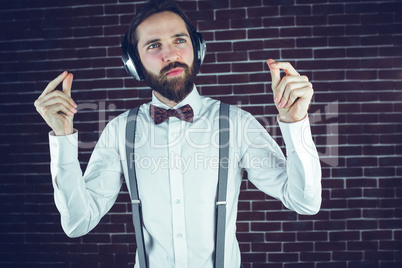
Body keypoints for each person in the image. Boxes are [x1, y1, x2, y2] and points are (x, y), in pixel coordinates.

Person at [34, 0, 322, 267]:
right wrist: (63, 138)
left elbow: (304, 202)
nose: (170, 54)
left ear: (197, 49)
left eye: (179, 40)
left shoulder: (237, 124)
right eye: (154, 45)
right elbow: (77, 223)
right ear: (134, 64)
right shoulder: (120, 131)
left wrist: (295, 122)